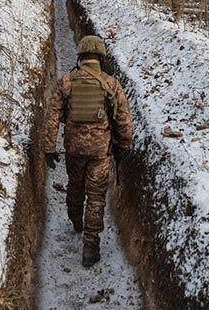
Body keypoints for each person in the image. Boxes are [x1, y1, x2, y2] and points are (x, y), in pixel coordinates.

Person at [42, 35, 133, 267]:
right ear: (101, 58)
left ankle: (75, 220)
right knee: (96, 198)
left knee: (75, 186)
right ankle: (90, 248)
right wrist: (124, 146)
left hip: (73, 149)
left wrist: (48, 148)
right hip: (100, 152)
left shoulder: (66, 82)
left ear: (80, 56)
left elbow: (52, 116)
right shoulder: (111, 84)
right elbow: (124, 121)